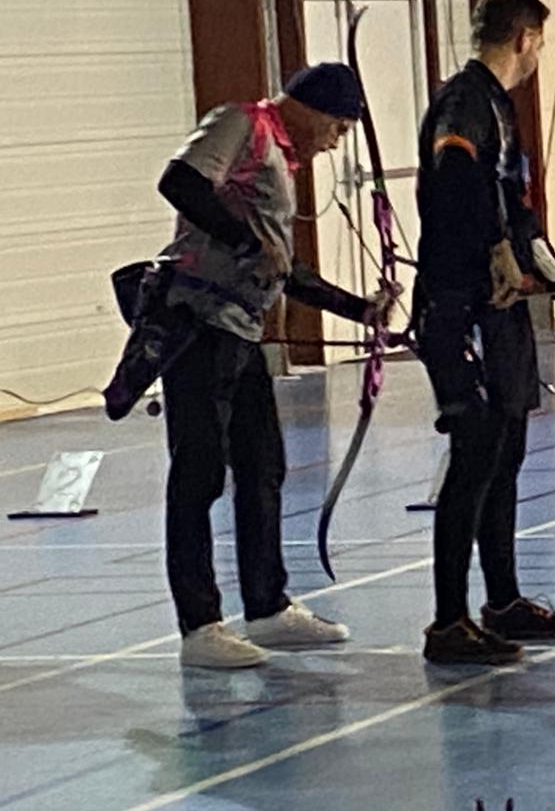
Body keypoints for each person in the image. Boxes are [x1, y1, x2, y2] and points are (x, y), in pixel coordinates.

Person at [133, 63, 395, 669]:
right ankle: (200, 626)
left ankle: (267, 607)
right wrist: (247, 242)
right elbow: (180, 182)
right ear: (310, 107)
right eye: (338, 126)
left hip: (240, 332)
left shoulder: (280, 159)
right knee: (199, 472)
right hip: (197, 327)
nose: (337, 141)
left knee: (262, 466)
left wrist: (358, 310)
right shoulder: (242, 125)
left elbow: (282, 267)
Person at [415, 0, 555, 667]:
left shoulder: (500, 108)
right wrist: (496, 246)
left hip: (500, 311)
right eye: (539, 45)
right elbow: (456, 173)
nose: (537, 57)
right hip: (458, 306)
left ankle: (502, 601)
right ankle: (448, 621)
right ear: (525, 39)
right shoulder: (465, 101)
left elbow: (518, 213)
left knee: (506, 454)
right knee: (474, 457)